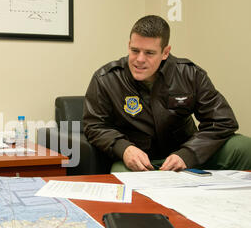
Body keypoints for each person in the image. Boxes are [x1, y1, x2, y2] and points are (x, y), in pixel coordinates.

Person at [83, 15, 251, 172]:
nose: (139, 59)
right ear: (128, 45)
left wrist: (188, 154)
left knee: (243, 146)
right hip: (139, 161)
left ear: (165, 52)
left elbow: (223, 121)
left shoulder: (190, 75)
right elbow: (94, 125)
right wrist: (124, 148)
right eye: (135, 50)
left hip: (185, 155)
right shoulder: (106, 79)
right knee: (121, 175)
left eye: (149, 53)